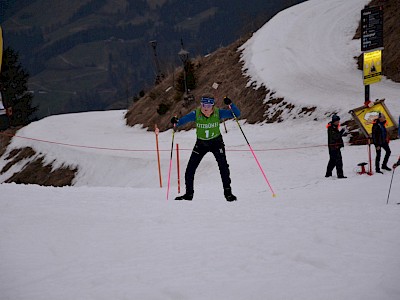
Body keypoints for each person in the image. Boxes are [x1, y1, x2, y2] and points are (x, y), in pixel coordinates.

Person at [171, 95, 240, 201]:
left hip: (216, 142)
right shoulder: (196, 113)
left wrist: (230, 104)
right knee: (190, 169)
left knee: (223, 167)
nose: (205, 108)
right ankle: (189, 194)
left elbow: (237, 114)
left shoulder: (218, 113)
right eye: (203, 105)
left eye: (208, 105)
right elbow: (181, 121)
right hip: (201, 144)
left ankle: (228, 193)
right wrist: (175, 121)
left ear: (212, 106)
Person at [325, 114, 347, 178]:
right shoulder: (331, 128)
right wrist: (342, 131)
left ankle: (328, 174)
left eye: (338, 121)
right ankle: (340, 175)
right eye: (337, 121)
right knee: (338, 161)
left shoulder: (334, 127)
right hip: (334, 148)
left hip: (334, 147)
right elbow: (336, 137)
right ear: (334, 121)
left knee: (333, 161)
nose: (338, 122)